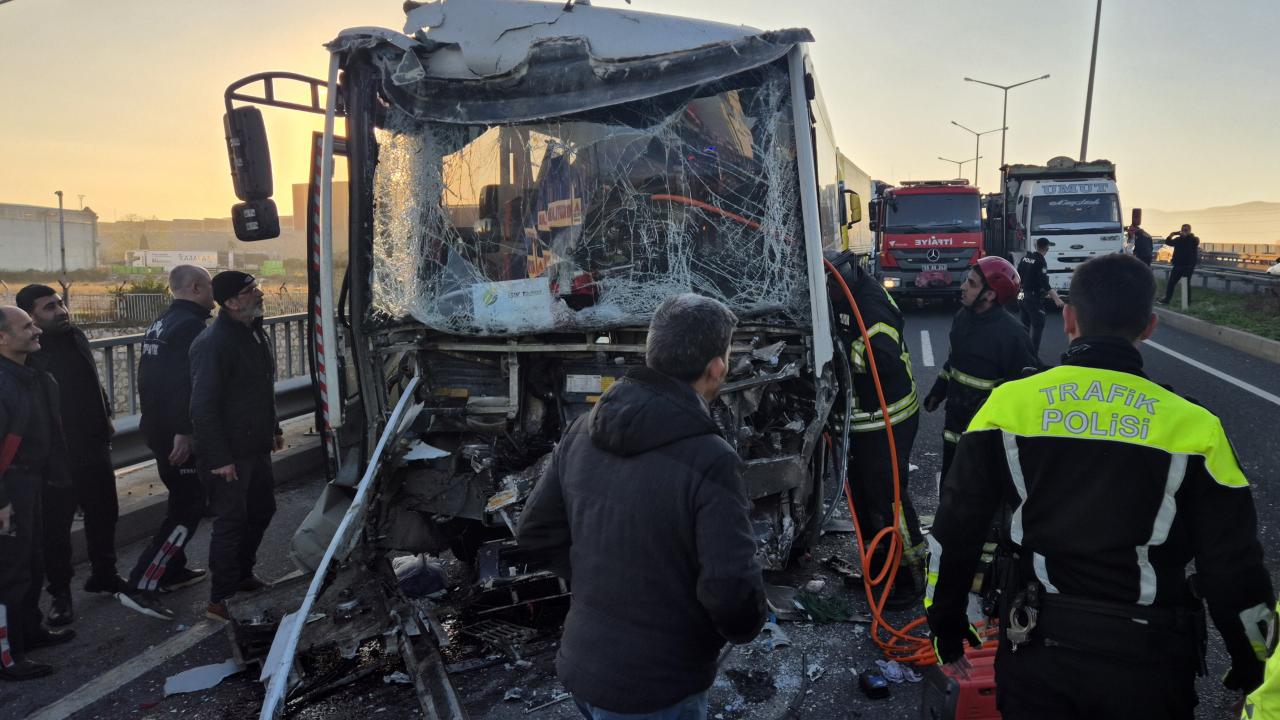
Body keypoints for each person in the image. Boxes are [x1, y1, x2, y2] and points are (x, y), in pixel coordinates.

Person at [926, 253, 1276, 719]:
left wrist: (945, 623)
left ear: (1069, 318)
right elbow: (1234, 566)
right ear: (1149, 327)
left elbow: (955, 529)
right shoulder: (1196, 428)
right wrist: (1253, 660)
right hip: (1149, 663)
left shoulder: (1008, 406)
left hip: (1036, 650)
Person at [517, 293, 766, 720]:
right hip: (659, 687)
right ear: (717, 368)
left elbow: (534, 533)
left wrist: (600, 582)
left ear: (652, 353)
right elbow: (730, 590)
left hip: (582, 667)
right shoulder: (712, 459)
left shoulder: (580, 430)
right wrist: (742, 627)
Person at [825, 250, 925, 606]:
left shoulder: (868, 304)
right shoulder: (847, 290)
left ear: (841, 282)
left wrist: (832, 353)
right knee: (865, 500)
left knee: (889, 501)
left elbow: (880, 354)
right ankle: (879, 568)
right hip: (863, 423)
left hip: (885, 419)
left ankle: (911, 579)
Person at [16, 285, 119, 626]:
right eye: (49, 308)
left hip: (94, 444)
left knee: (104, 514)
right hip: (57, 456)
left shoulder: (75, 335)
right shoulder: (30, 353)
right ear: (31, 317)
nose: (61, 311)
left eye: (60, 303)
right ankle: (60, 595)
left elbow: (92, 381)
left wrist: (105, 418)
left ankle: (104, 574)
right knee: (56, 532)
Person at [118, 266, 215, 621]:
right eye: (208, 287)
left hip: (157, 426)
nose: (212, 294)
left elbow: (149, 380)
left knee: (182, 498)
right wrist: (184, 430)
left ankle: (172, 570)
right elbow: (181, 383)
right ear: (194, 287)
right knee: (188, 507)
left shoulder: (164, 321)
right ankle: (143, 584)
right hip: (175, 431)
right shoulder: (190, 326)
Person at [190, 272, 283, 622]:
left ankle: (243, 576)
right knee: (231, 521)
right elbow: (203, 405)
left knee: (262, 510)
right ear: (230, 302)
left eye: (256, 286)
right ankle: (222, 599)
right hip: (228, 454)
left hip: (254, 444)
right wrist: (219, 458)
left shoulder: (253, 332)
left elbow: (261, 388)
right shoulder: (214, 343)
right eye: (250, 291)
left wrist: (272, 427)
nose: (259, 293)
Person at [0, 306, 76, 681]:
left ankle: (28, 632)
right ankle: (5, 655)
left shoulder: (28, 374)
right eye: (26, 326)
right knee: (9, 573)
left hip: (31, 481)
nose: (35, 330)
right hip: (9, 488)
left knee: (31, 563)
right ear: (2, 338)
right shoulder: (4, 381)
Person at [923, 257, 1038, 481]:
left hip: (987, 440)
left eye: (972, 283)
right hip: (955, 430)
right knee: (950, 490)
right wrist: (938, 391)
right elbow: (953, 363)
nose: (963, 287)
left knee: (982, 502)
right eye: (967, 281)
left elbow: (1024, 393)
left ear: (990, 294)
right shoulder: (963, 318)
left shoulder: (1013, 335)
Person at [1015, 238, 1066, 357]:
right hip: (1033, 297)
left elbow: (1018, 276)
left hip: (1022, 294)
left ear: (1036, 245)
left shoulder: (1025, 258)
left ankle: (1023, 353)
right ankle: (1033, 356)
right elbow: (1044, 282)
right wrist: (1057, 299)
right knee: (1038, 324)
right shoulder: (1040, 261)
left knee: (1024, 325)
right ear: (1047, 249)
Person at [1159, 224, 1201, 305]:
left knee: (1185, 284)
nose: (1184, 231)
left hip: (1188, 266)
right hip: (1177, 265)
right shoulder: (1178, 239)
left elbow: (1196, 242)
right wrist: (1172, 234)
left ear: (1189, 231)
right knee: (1171, 283)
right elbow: (1168, 242)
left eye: (1186, 230)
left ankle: (1186, 303)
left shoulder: (1193, 239)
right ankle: (1166, 300)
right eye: (1183, 230)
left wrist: (1188, 235)